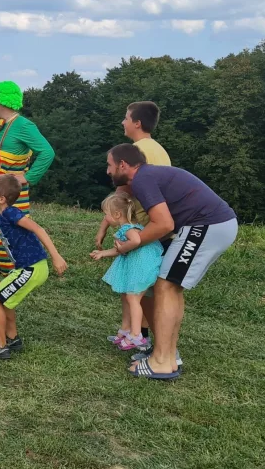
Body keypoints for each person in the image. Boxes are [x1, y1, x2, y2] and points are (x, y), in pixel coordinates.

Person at [106, 144, 238, 379]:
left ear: (123, 165)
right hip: (208, 225)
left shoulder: (142, 180)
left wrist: (130, 244)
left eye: (110, 165)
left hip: (207, 225)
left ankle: (162, 363)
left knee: (167, 285)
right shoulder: (148, 176)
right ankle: (167, 354)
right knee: (163, 286)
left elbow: (164, 224)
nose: (108, 171)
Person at [94, 101, 172, 346]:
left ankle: (144, 339)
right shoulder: (159, 149)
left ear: (137, 123)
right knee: (143, 288)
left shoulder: (133, 151)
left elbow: (122, 193)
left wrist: (107, 223)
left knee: (140, 289)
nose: (123, 122)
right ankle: (139, 334)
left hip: (146, 227)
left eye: (126, 118)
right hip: (159, 224)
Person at [0, 81, 55, 288]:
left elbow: (47, 152)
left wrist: (29, 177)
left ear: (4, 102)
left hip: (7, 195)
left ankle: (13, 278)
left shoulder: (24, 126)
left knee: (6, 234)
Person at [0, 174, 67, 359]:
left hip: (31, 268)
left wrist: (56, 256)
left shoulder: (12, 213)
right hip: (26, 268)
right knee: (5, 299)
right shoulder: (1, 217)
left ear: (1, 199)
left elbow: (38, 229)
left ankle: (0, 346)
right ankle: (13, 338)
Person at [90, 191, 162, 352]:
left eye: (106, 214)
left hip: (142, 267)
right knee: (126, 295)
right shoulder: (127, 228)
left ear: (116, 214)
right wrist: (103, 253)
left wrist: (122, 248)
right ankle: (125, 329)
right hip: (135, 266)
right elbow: (120, 249)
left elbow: (134, 242)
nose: (105, 218)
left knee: (132, 297)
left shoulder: (129, 228)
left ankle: (136, 335)